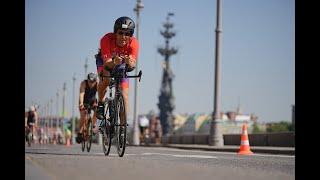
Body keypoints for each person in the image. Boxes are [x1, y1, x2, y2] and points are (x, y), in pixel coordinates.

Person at [95, 16, 139, 134]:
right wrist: (114, 61)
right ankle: (100, 104)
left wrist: (130, 63)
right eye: (120, 33)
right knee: (106, 80)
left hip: (121, 65)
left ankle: (123, 128)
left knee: (124, 95)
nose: (124, 36)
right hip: (106, 62)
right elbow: (108, 65)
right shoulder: (106, 39)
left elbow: (132, 65)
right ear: (115, 33)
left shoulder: (134, 43)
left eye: (127, 34)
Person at [76, 72, 98, 144]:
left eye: (93, 82)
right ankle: (80, 132)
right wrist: (81, 104)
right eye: (90, 81)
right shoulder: (83, 83)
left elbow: (101, 93)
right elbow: (81, 94)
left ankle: (93, 125)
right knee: (83, 116)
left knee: (97, 111)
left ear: (95, 81)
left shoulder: (97, 84)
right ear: (87, 80)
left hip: (93, 101)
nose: (91, 83)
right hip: (84, 101)